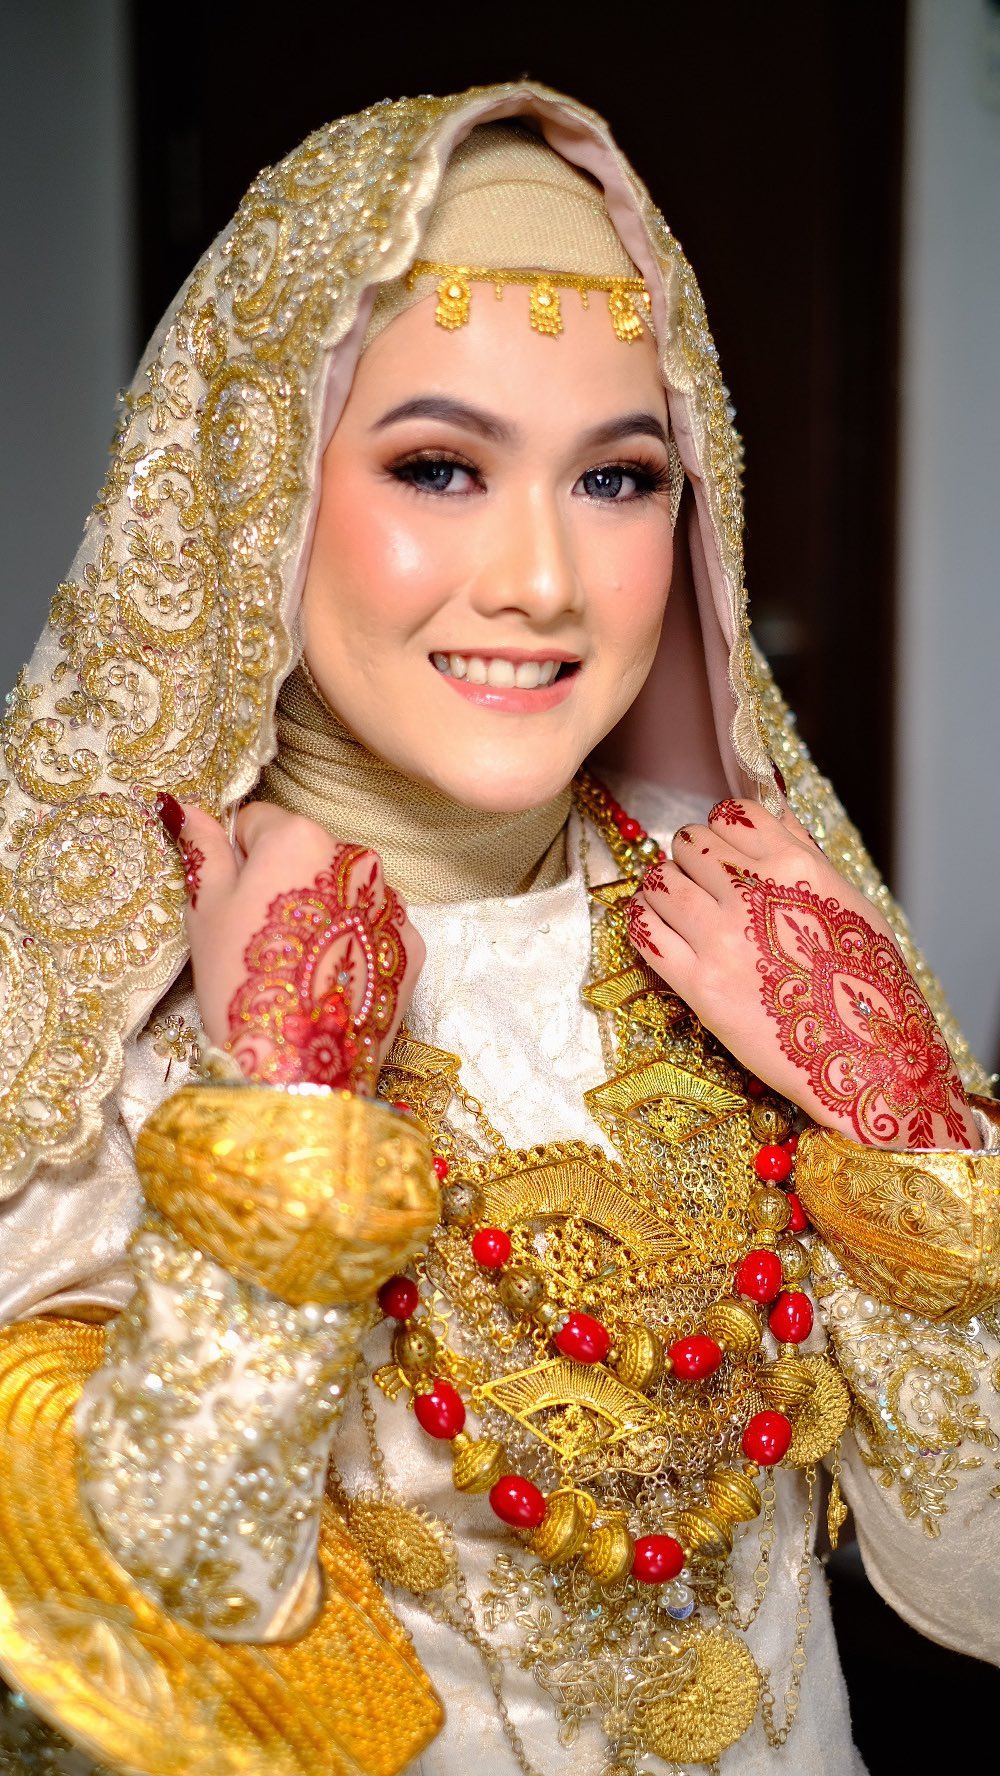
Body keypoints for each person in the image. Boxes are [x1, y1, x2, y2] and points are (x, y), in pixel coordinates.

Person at [0, 81, 997, 1776]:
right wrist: (286, 1128)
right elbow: (135, 1683)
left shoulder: (748, 939)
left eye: (617, 477)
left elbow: (977, 1575)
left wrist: (898, 1119)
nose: (541, 579)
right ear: (256, 492)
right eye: (440, 467)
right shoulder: (96, 1010)